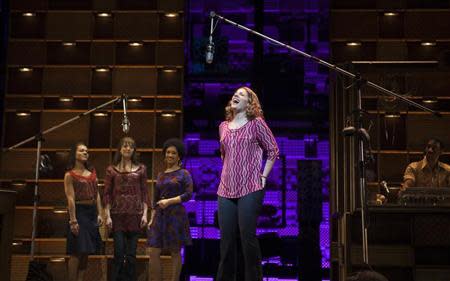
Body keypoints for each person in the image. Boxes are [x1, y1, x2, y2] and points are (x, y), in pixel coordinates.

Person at [216, 86, 279, 281]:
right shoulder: (223, 126)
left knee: (247, 238)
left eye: (241, 95)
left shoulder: (257, 123)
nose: (236, 95)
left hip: (250, 187)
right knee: (226, 243)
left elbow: (273, 150)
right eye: (235, 94)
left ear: (249, 103)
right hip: (225, 189)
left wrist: (264, 175)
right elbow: (223, 154)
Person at [147, 138, 193, 281]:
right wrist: (151, 219)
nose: (170, 155)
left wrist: (169, 201)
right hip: (160, 216)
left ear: (179, 156)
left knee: (175, 252)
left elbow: (188, 194)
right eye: (168, 152)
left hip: (176, 215)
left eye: (173, 153)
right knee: (154, 251)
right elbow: (155, 200)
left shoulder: (184, 173)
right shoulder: (160, 175)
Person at [103, 137, 149, 281]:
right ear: (120, 149)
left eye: (130, 146)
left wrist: (145, 215)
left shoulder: (141, 169)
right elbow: (107, 194)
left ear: (134, 150)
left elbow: (145, 193)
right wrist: (107, 215)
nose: (127, 148)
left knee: (131, 255)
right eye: (124, 146)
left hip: (135, 215)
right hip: (117, 216)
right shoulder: (111, 170)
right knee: (118, 253)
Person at [64, 142, 102, 281]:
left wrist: (99, 213)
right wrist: (73, 220)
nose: (85, 152)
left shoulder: (92, 173)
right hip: (79, 213)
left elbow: (97, 194)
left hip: (91, 213)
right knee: (76, 252)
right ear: (74, 154)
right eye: (81, 150)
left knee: (86, 251)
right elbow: (70, 199)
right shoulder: (70, 175)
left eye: (86, 150)